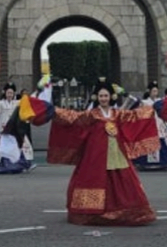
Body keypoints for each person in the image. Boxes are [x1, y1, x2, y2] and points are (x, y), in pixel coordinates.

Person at [45, 82, 158, 226]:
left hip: (116, 152)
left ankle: (125, 209)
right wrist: (53, 111)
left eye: (106, 96)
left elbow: (135, 116)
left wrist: (155, 108)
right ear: (96, 97)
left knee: (122, 179)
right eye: (101, 96)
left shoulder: (118, 114)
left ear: (111, 97)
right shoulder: (92, 115)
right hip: (95, 153)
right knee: (94, 178)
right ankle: (93, 211)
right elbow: (73, 118)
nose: (103, 98)